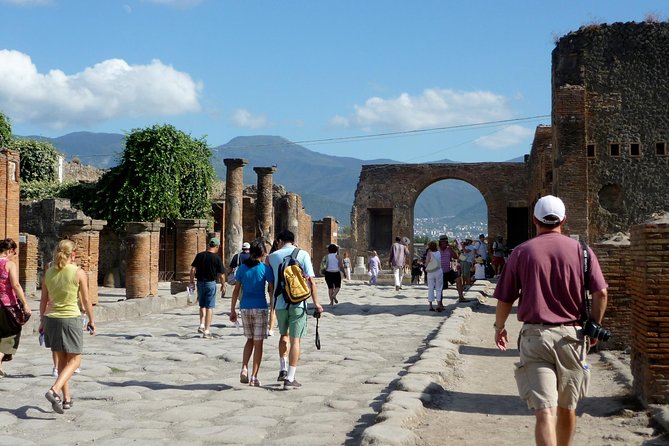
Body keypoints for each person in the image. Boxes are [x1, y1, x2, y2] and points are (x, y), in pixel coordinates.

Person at [494, 195, 609, 446]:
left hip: (535, 337)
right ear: (564, 220)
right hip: (572, 336)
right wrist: (594, 326)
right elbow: (601, 293)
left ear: (534, 220)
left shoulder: (521, 252)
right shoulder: (583, 252)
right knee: (568, 407)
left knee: (544, 410)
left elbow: (505, 299)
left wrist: (499, 327)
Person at [40, 239, 95, 414]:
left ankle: (66, 399)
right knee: (75, 360)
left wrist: (42, 321)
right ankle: (54, 389)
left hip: (51, 319)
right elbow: (86, 300)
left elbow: (43, 300)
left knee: (63, 361)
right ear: (74, 254)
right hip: (70, 318)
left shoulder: (49, 272)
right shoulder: (78, 272)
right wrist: (92, 320)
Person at [268, 230, 324, 390]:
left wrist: (270, 303)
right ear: (293, 241)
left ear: (279, 241)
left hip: (279, 303)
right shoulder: (303, 254)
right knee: (295, 340)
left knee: (283, 335)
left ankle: (282, 368)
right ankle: (290, 378)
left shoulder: (272, 257)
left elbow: (271, 284)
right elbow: (311, 282)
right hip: (298, 302)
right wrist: (317, 304)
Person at [229, 239, 274, 387]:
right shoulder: (265, 269)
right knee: (258, 343)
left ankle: (244, 367)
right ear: (262, 253)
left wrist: (232, 310)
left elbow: (236, 291)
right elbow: (272, 290)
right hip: (260, 307)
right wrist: (273, 308)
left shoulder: (242, 269)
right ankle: (254, 376)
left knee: (249, 340)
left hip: (245, 307)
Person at [0, 238, 30, 378]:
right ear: (10, 251)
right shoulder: (9, 264)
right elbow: (16, 285)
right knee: (11, 334)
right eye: (14, 252)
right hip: (6, 306)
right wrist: (25, 303)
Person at [189, 237, 226, 339]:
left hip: (200, 282)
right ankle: (207, 330)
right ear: (217, 246)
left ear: (209, 245)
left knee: (202, 305)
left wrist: (191, 281)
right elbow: (222, 274)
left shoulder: (200, 255)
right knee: (209, 307)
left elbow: (193, 269)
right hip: (210, 283)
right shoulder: (217, 258)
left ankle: (201, 324)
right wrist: (223, 284)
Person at [438, 235, 465, 302]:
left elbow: (455, 257)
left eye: (446, 242)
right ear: (440, 242)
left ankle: (461, 297)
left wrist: (451, 249)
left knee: (458, 279)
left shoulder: (449, 249)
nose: (445, 243)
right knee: (441, 287)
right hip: (440, 271)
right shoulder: (437, 249)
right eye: (443, 242)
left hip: (448, 270)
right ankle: (440, 302)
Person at [424, 241, 443, 312]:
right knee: (439, 288)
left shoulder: (429, 254)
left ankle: (430, 306)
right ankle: (438, 304)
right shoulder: (439, 252)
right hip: (439, 271)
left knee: (431, 288)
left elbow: (426, 264)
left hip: (431, 272)